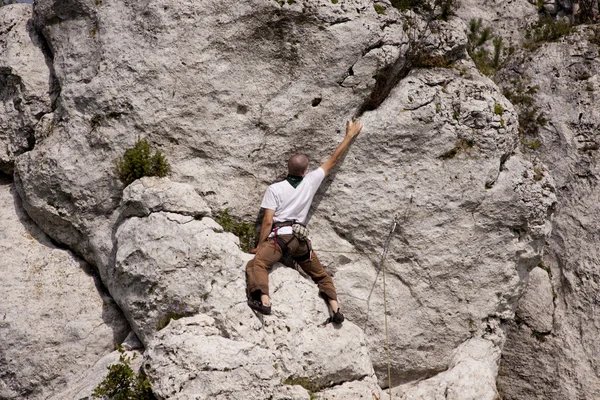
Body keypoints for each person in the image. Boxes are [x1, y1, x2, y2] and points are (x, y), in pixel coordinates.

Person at [245, 120, 363, 323]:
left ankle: (264, 302)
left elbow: (267, 221)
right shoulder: (310, 181)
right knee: (321, 275)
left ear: (287, 168)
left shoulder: (275, 189)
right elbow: (334, 159)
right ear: (305, 170)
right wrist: (349, 135)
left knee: (257, 264)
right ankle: (336, 309)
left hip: (279, 240)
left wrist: (259, 245)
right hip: (300, 241)